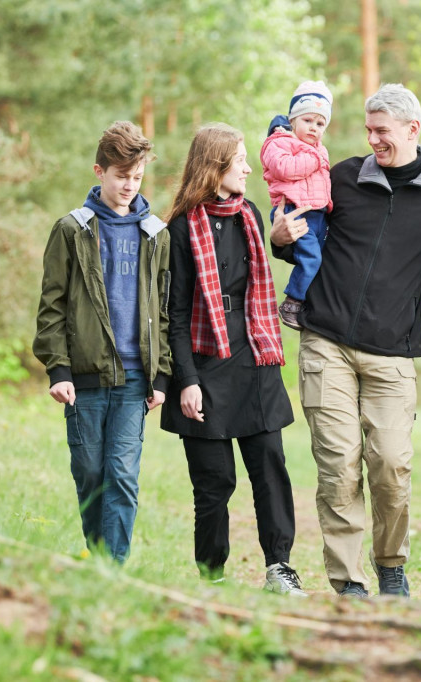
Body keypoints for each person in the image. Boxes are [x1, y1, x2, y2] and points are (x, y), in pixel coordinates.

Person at [270, 83, 421, 598]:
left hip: (393, 353)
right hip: (326, 340)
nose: (372, 139)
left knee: (390, 466)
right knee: (337, 464)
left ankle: (391, 565)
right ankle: (348, 581)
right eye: (368, 129)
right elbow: (302, 233)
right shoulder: (341, 178)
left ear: (412, 130)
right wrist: (280, 240)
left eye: (381, 131)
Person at [160, 123, 306, 596]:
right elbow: (176, 314)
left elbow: (262, 276)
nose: (248, 167)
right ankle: (212, 575)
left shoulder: (250, 214)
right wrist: (186, 379)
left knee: (270, 468)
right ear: (215, 166)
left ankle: (279, 567)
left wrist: (281, 238)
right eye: (240, 159)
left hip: (255, 357)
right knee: (214, 481)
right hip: (203, 365)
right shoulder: (182, 227)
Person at [33, 121, 170, 564]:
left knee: (123, 476)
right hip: (86, 378)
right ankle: (97, 557)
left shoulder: (156, 233)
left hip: (135, 380)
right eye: (120, 175)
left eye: (136, 176)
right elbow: (51, 306)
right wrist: (58, 369)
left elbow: (164, 311)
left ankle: (112, 572)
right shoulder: (72, 230)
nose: (129, 185)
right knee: (91, 474)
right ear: (99, 171)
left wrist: (161, 373)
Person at [260, 80, 334, 330]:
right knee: (311, 258)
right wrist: (314, 157)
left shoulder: (316, 149)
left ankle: (310, 303)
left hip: (316, 213)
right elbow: (284, 168)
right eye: (308, 121)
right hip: (294, 211)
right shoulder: (278, 142)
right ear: (293, 121)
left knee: (321, 258)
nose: (314, 128)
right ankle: (292, 302)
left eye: (320, 123)